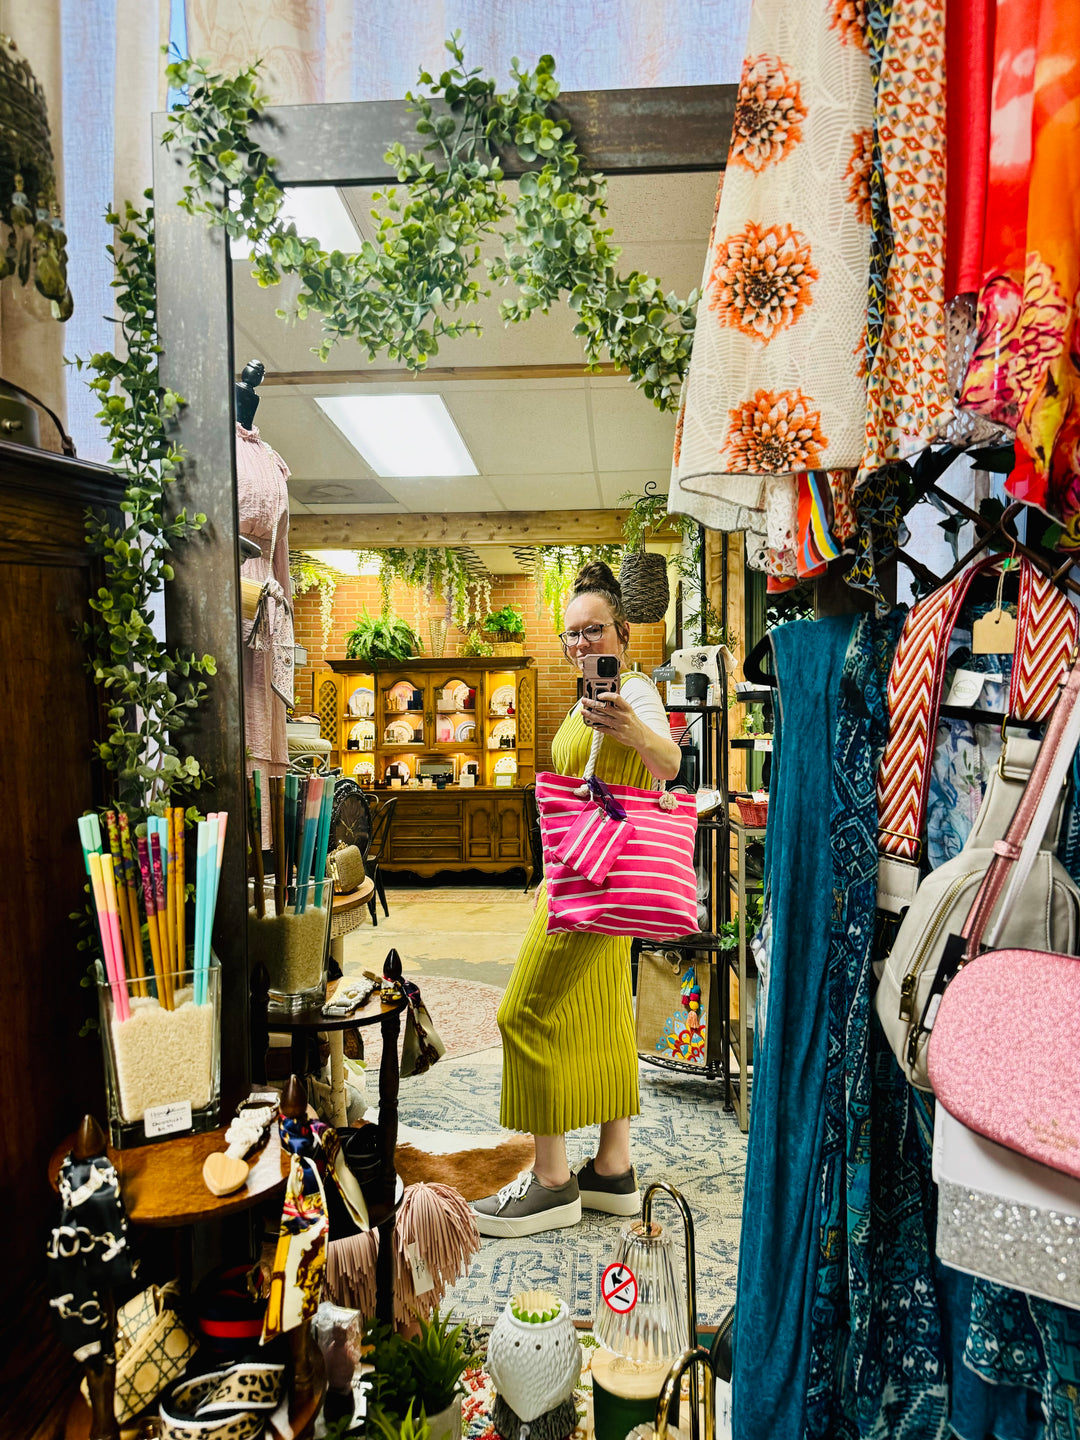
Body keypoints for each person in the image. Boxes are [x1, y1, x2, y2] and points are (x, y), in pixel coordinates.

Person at [472, 561, 682, 1237]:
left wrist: (631, 730)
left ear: (623, 630)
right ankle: (613, 1169)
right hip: (594, 880)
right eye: (571, 635)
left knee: (523, 1014)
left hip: (595, 883)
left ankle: (554, 1182)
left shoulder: (638, 693)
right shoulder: (583, 700)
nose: (583, 645)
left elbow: (670, 764)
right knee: (598, 1017)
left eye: (594, 630)